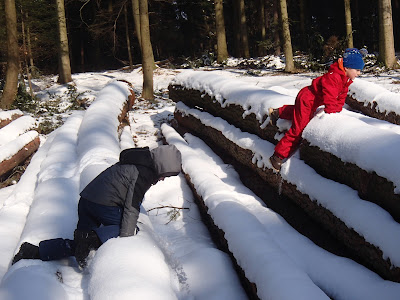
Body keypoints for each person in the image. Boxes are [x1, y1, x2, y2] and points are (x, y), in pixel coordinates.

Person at [12, 145, 182, 268]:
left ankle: (34, 251)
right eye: (165, 175)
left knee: (80, 245)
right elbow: (131, 206)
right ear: (161, 166)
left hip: (86, 200)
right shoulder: (143, 173)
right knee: (125, 228)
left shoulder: (138, 161)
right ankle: (88, 240)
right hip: (102, 205)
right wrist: (127, 238)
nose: (163, 179)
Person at [268, 48, 365, 172]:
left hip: (310, 101)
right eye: (357, 70)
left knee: (300, 114)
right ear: (347, 68)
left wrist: (338, 108)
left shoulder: (345, 78)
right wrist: (331, 110)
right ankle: (277, 156)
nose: (359, 73)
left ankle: (277, 112)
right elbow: (329, 96)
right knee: (299, 128)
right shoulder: (334, 77)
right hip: (307, 100)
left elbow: (341, 95)